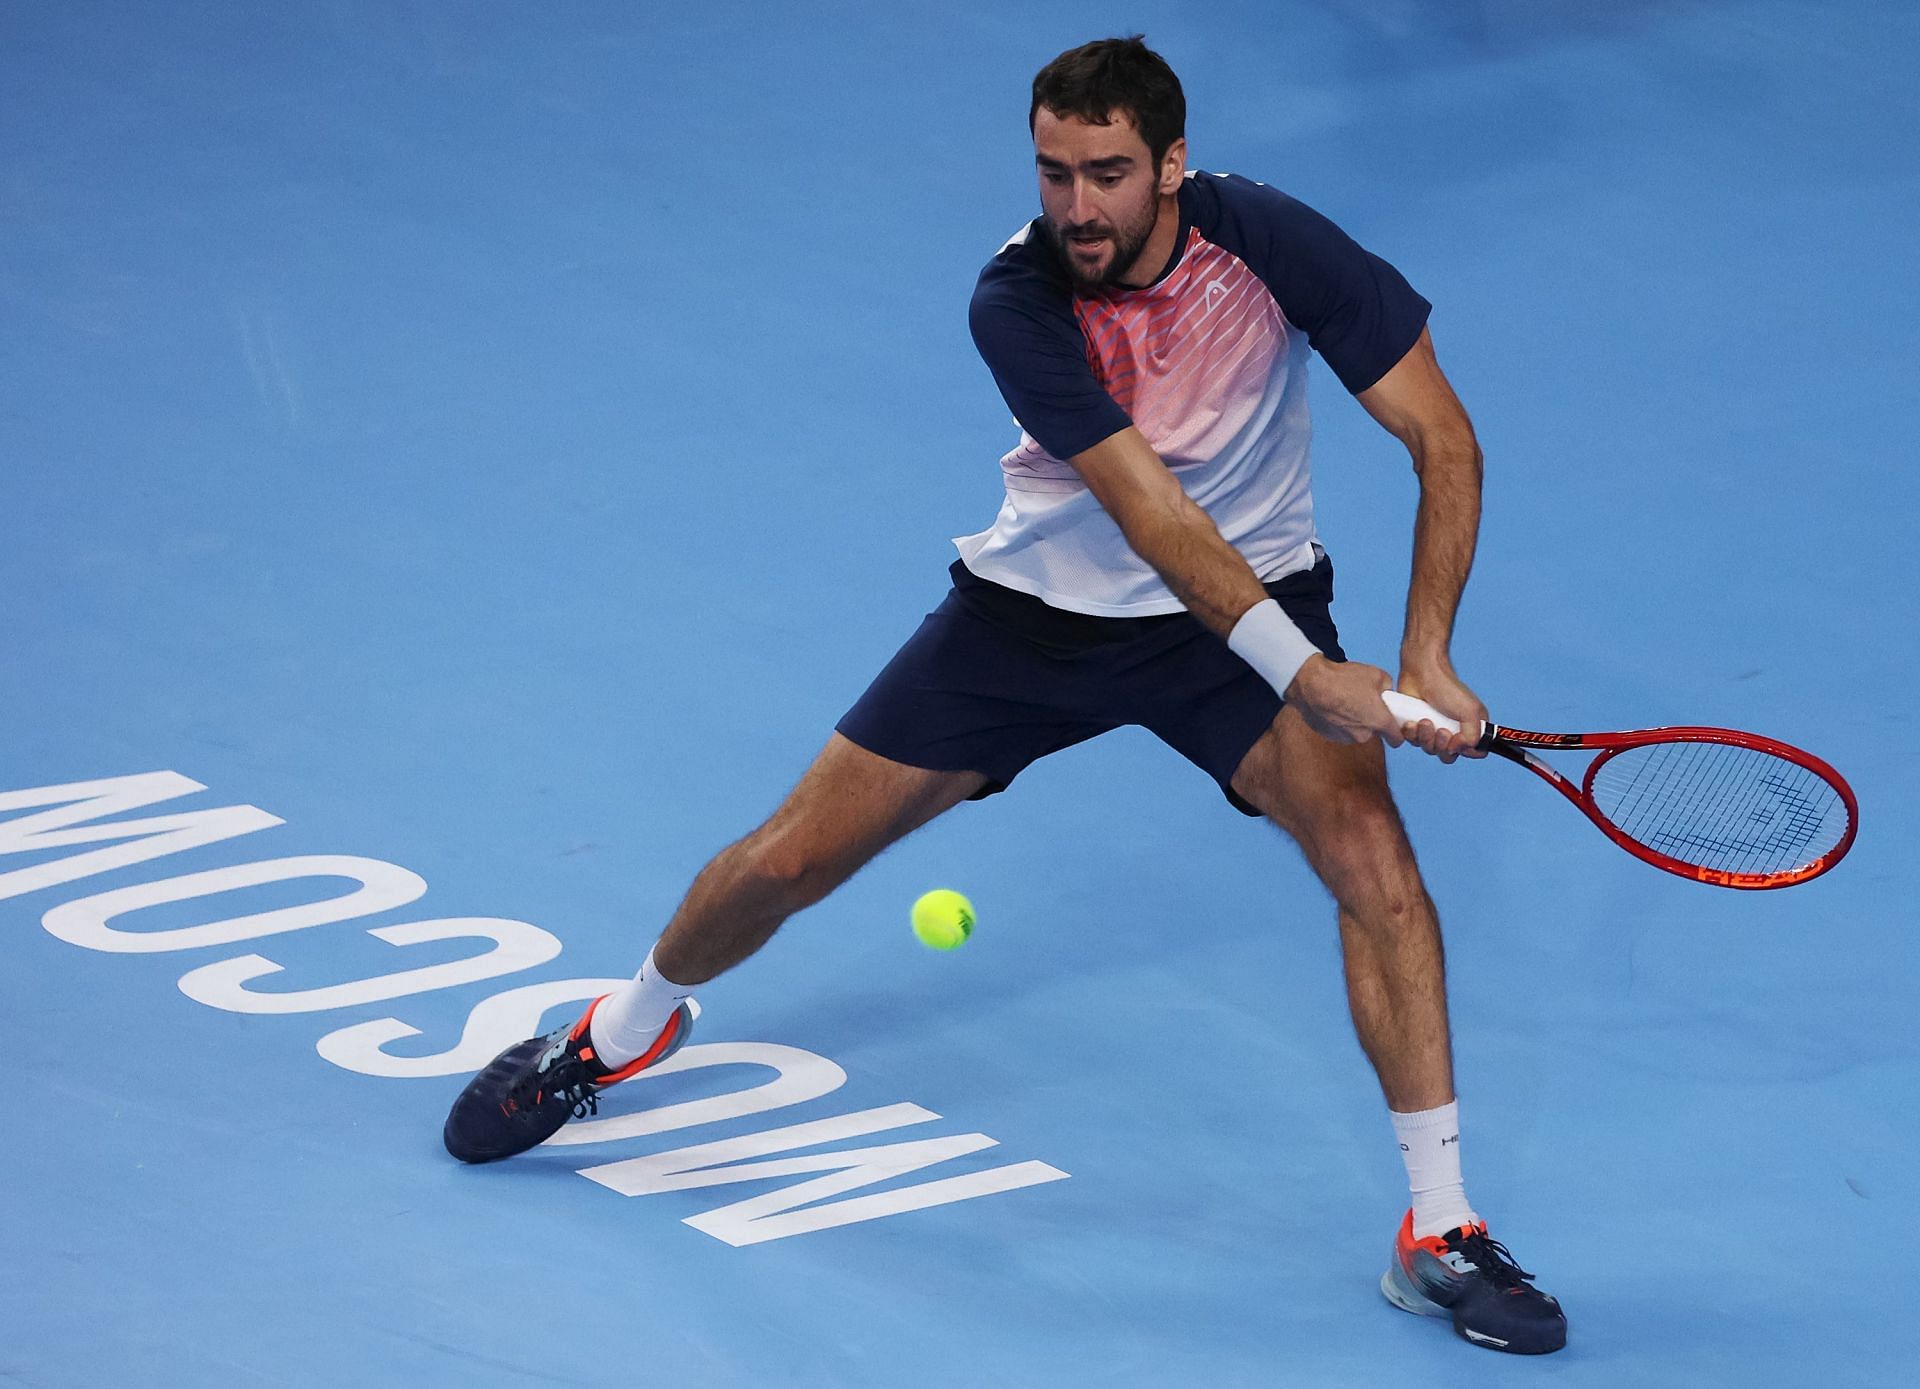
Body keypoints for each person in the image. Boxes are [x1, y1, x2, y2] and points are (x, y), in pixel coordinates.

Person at [443, 35, 1566, 1357]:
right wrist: (1310, 673)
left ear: (1172, 166)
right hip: (1038, 623)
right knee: (789, 858)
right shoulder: (1015, 300)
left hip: (1247, 609)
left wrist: (1426, 652)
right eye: (1053, 173)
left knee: (1375, 860)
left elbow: (1445, 435)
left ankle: (1437, 1228)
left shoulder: (1271, 243)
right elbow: (1153, 518)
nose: (1076, 206)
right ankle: (615, 1032)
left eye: (1105, 175)